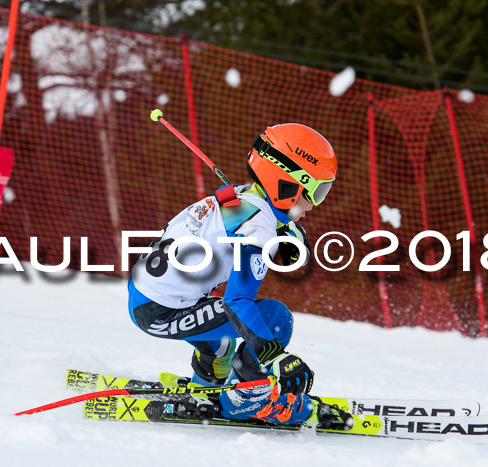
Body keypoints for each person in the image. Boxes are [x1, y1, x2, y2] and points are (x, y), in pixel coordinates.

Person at [127, 123, 352, 429]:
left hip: (146, 297)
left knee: (222, 343)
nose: (314, 203)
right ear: (288, 183)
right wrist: (274, 356)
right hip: (162, 310)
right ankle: (249, 400)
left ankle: (206, 388)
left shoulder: (241, 199)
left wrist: (282, 228)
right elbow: (237, 301)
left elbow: (236, 220)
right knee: (274, 317)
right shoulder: (257, 226)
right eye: (316, 191)